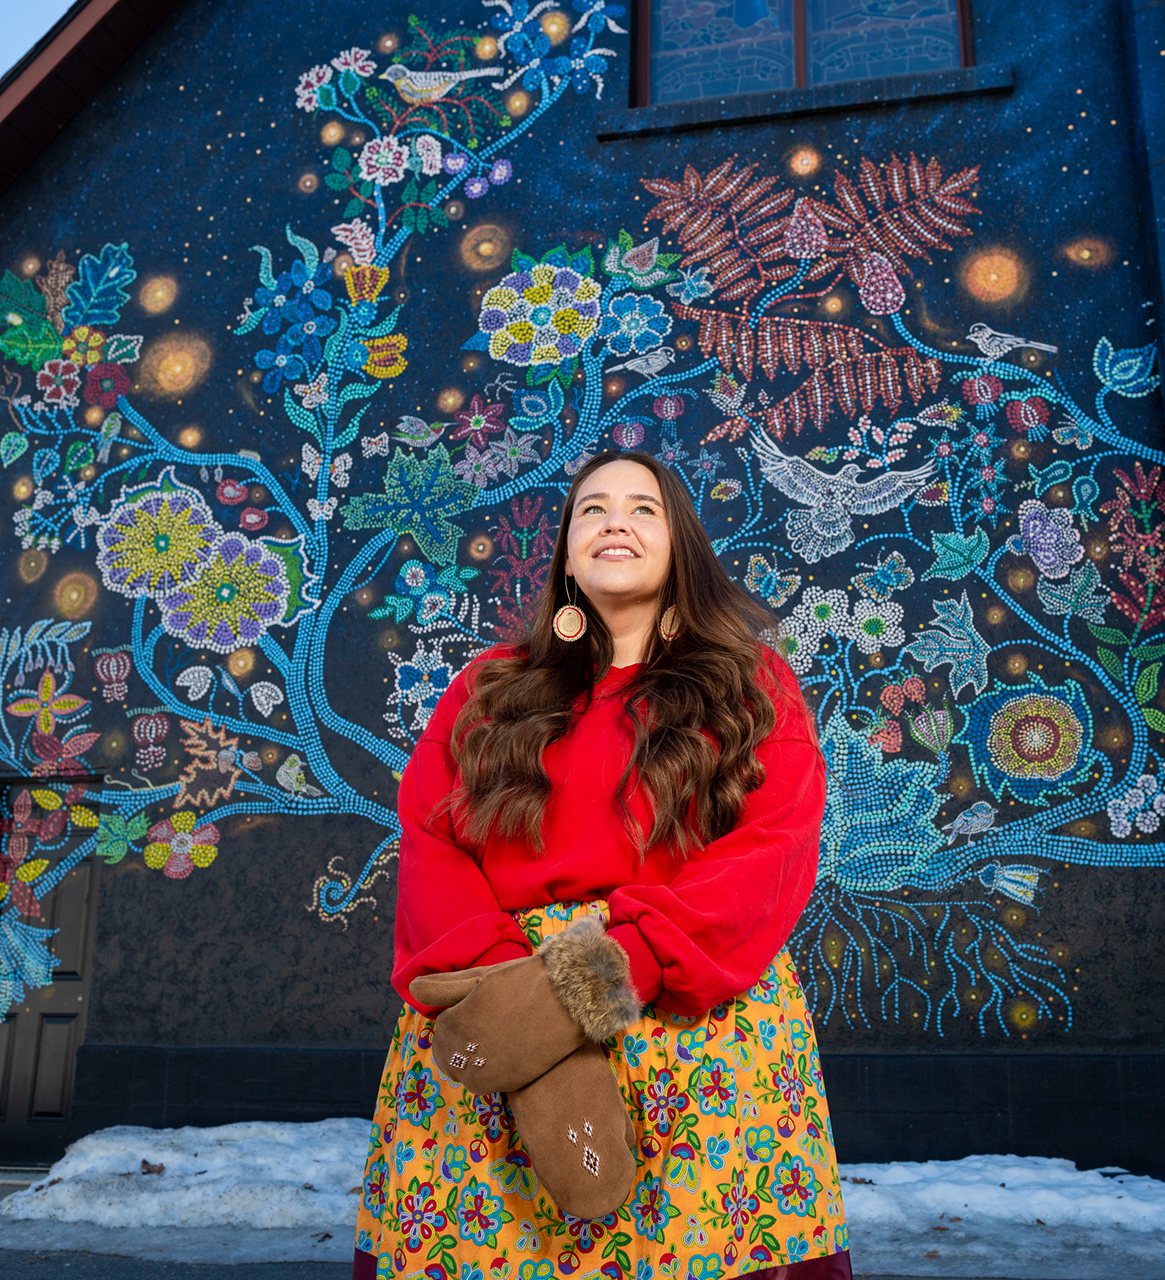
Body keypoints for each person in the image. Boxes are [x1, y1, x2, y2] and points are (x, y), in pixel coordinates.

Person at [354, 450, 853, 1280]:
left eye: (643, 509)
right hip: (493, 1002)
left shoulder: (748, 684)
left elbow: (773, 847)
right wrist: (513, 1005)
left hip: (689, 1026)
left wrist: (590, 980)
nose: (615, 521)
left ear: (679, 546)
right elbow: (431, 835)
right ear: (566, 549)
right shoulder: (490, 687)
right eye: (592, 509)